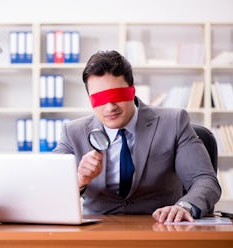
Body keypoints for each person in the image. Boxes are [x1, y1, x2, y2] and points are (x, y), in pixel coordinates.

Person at [53, 50, 221, 223]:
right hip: (98, 232)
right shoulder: (73, 132)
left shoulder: (174, 122)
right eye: (99, 98)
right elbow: (49, 188)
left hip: (161, 229)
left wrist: (184, 206)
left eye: (117, 96)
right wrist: (79, 180)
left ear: (132, 90)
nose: (109, 107)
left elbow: (205, 181)